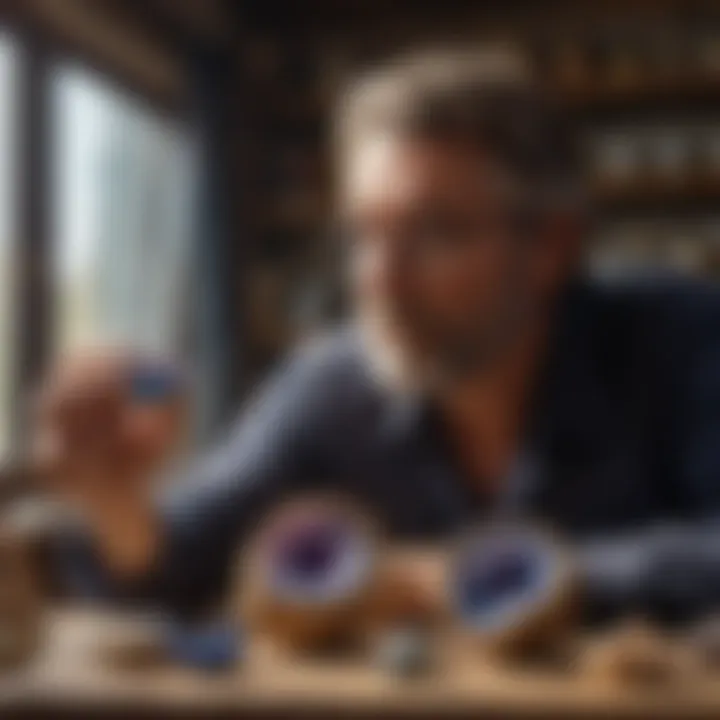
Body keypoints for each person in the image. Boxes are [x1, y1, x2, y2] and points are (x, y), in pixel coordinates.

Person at [34, 50, 720, 623]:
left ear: (552, 247)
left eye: (437, 234)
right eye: (365, 235)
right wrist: (114, 500)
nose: (380, 282)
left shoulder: (683, 339)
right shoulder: (331, 385)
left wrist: (475, 578)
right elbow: (177, 565)